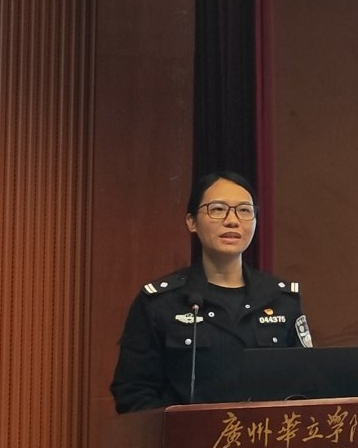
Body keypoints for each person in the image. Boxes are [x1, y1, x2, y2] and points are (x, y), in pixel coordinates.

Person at [109, 171, 310, 412]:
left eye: (244, 210)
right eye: (217, 209)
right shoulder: (160, 302)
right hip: (187, 436)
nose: (232, 220)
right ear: (191, 222)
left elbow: (306, 385)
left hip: (265, 435)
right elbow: (133, 392)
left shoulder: (281, 300)